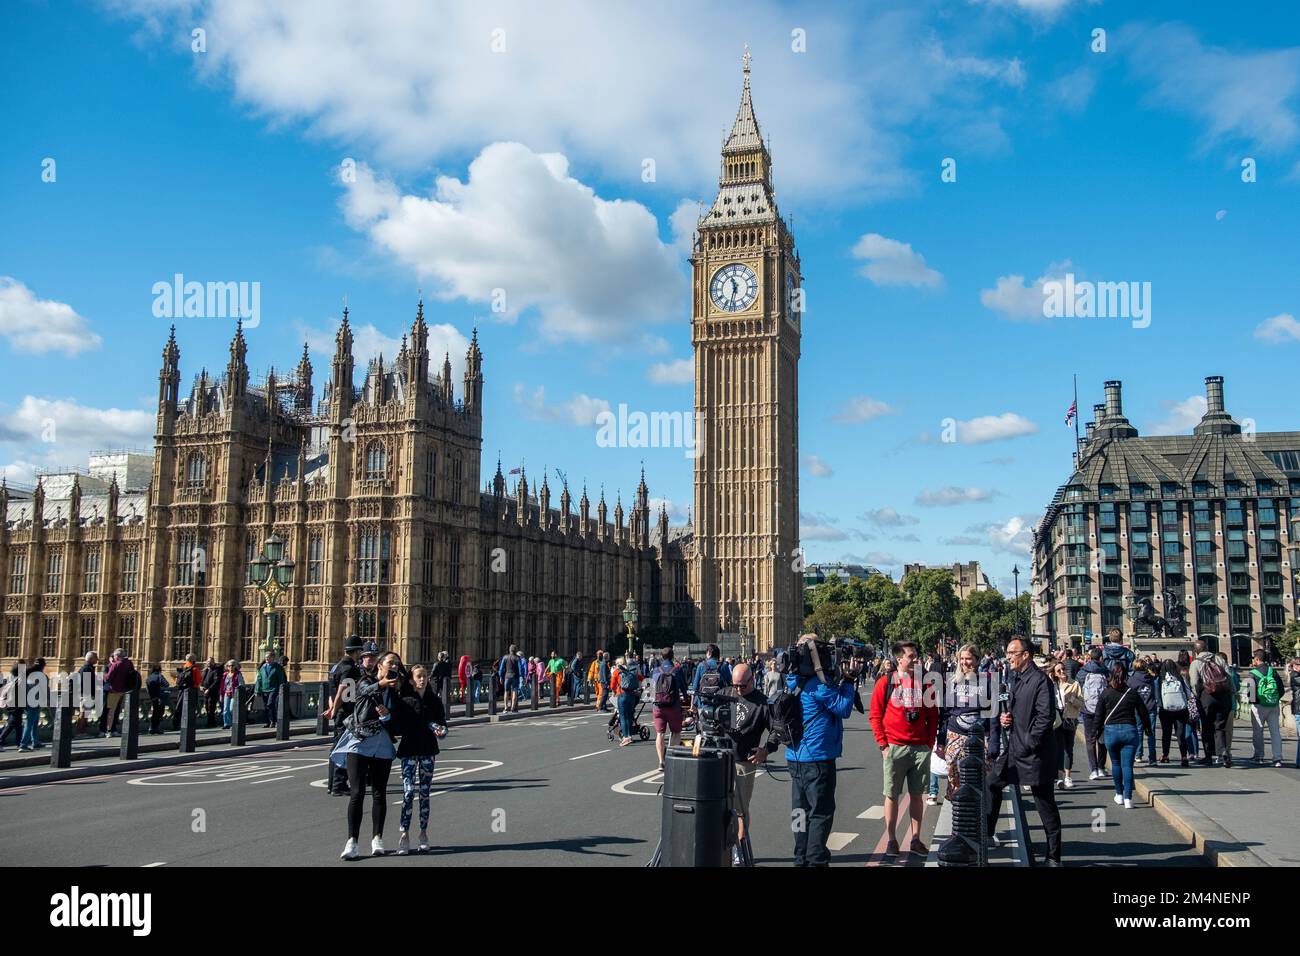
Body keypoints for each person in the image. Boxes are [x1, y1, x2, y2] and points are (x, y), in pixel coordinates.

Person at [987, 636, 1062, 866]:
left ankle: (1053, 857)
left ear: (1025, 655)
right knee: (992, 783)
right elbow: (1015, 708)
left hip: (1034, 754)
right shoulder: (1016, 677)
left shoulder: (1040, 681)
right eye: (1008, 652)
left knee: (1044, 804)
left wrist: (1029, 741)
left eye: (1012, 652)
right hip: (1014, 749)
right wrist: (1006, 718)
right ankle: (988, 834)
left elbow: (1045, 717)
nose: (1008, 656)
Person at [785, 635, 858, 867]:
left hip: (795, 755)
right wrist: (847, 681)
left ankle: (800, 855)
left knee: (799, 809)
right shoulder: (818, 686)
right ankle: (816, 858)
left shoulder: (792, 680)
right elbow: (844, 708)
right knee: (821, 811)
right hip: (818, 755)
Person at [869, 641, 939, 856]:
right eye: (911, 656)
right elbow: (875, 716)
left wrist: (928, 743)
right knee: (891, 795)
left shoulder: (925, 683)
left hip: (919, 748)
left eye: (916, 655)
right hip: (894, 747)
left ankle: (916, 838)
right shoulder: (885, 683)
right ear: (899, 659)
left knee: (917, 795)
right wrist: (883, 745)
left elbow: (933, 716)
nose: (915, 659)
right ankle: (892, 839)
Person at [333, 649, 401, 859]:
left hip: (381, 743)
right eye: (390, 662)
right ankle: (351, 841)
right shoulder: (362, 680)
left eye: (397, 664)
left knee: (379, 792)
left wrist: (388, 715)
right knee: (357, 792)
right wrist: (381, 684)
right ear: (380, 665)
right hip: (359, 742)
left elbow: (398, 721)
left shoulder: (395, 691)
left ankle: (377, 838)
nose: (394, 666)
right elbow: (360, 693)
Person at [720, 662, 780, 864]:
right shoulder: (724, 693)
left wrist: (766, 750)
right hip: (719, 759)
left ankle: (739, 849)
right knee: (716, 806)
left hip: (744, 763)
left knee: (739, 809)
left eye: (742, 686)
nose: (738, 690)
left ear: (752, 680)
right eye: (735, 685)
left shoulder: (763, 703)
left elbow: (775, 731)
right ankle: (719, 846)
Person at [395, 664, 447, 855]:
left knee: (424, 793)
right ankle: (404, 834)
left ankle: (423, 833)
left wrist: (441, 731)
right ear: (411, 680)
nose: (422, 679)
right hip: (409, 750)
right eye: (418, 676)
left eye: (424, 676)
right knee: (408, 792)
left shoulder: (435, 701)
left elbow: (443, 725)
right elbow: (397, 726)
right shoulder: (405, 700)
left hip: (428, 750)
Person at [937, 644, 995, 803]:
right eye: (961, 658)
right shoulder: (952, 681)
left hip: (980, 734)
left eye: (968, 658)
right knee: (954, 774)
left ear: (977, 660)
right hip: (955, 732)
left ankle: (978, 812)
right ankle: (959, 816)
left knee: (979, 775)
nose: (964, 662)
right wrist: (941, 741)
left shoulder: (988, 681)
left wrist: (993, 741)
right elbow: (945, 713)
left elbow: (993, 714)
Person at [1098, 662, 1150, 810]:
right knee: (1127, 765)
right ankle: (1128, 798)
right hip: (1129, 730)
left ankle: (1119, 794)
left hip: (1111, 731)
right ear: (1126, 674)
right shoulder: (1131, 693)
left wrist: (1096, 731)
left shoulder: (1106, 693)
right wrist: (1147, 728)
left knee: (1115, 764)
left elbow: (1099, 715)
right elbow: (1143, 712)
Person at [1188, 640, 1233, 767]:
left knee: (1206, 727)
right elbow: (1228, 677)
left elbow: (1194, 682)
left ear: (1196, 650)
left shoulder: (1196, 663)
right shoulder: (1219, 659)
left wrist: (1197, 696)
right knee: (1220, 726)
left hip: (1207, 697)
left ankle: (1208, 756)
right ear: (1207, 647)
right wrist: (1231, 694)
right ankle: (1223, 752)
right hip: (1223, 696)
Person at [650, 648, 689, 771]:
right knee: (676, 733)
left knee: (660, 734)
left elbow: (651, 690)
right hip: (673, 706)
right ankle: (671, 758)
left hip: (658, 707)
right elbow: (684, 688)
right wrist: (686, 699)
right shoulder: (677, 670)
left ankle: (661, 762)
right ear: (672, 657)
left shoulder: (656, 670)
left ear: (661, 657)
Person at [1244, 649, 1283, 767]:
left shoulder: (1253, 673)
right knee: (1275, 732)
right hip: (1273, 705)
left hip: (1259, 706)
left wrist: (1256, 702)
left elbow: (1251, 694)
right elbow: (1280, 689)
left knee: (1258, 731)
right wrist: (1273, 699)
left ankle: (1259, 757)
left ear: (1256, 659)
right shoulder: (1273, 671)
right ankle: (1277, 758)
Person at [1051, 660, 1084, 790]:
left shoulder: (1074, 684)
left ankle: (1067, 776)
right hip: (1056, 719)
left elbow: (1082, 703)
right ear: (1055, 673)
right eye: (1059, 671)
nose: (1062, 672)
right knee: (1057, 748)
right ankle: (1059, 776)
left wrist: (1071, 699)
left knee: (1068, 748)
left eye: (1063, 669)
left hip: (1070, 718)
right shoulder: (1052, 685)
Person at [1078, 647, 1109, 779]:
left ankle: (1094, 769)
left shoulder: (1083, 672)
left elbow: (1078, 686)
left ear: (1089, 658)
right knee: (1102, 740)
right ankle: (1102, 767)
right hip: (1102, 710)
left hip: (1087, 709)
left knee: (1090, 740)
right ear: (1101, 658)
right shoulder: (1105, 671)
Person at [1156, 659, 1192, 767]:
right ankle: (1184, 756)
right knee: (1180, 734)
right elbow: (1189, 694)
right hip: (1181, 710)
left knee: (1166, 733)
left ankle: (1165, 755)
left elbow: (1157, 697)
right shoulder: (1180, 678)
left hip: (1166, 710)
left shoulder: (1160, 679)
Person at [1126, 659, 1158, 767]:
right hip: (1150, 706)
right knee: (1151, 732)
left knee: (1139, 731)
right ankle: (1152, 758)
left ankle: (1138, 755)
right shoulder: (1151, 677)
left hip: (1138, 709)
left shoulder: (1132, 680)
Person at [103, 650, 137, 737]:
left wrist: (104, 674)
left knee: (111, 711)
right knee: (119, 710)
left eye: (114, 656)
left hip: (114, 691)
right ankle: (116, 729)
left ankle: (109, 730)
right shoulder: (129, 663)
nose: (114, 658)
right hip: (125, 690)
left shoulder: (115, 665)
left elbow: (108, 678)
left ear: (117, 656)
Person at [690, 644, 730, 715]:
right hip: (720, 704)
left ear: (708, 653)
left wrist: (692, 704)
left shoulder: (701, 665)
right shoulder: (724, 666)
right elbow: (729, 685)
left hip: (704, 704)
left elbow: (695, 687)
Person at [253, 652, 287, 728]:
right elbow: (259, 679)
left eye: (268, 657)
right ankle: (267, 722)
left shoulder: (277, 667)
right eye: (266, 657)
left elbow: (281, 679)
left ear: (273, 658)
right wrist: (257, 690)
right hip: (264, 689)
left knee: (270, 704)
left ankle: (273, 721)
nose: (266, 659)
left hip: (273, 689)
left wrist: (281, 689)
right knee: (265, 706)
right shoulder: (262, 667)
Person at [612, 656, 639, 746]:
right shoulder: (632, 670)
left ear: (618, 664)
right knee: (629, 716)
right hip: (632, 695)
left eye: (616, 664)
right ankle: (630, 736)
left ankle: (626, 737)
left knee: (623, 717)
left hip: (622, 695)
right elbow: (640, 678)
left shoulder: (617, 672)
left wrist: (614, 690)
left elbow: (612, 685)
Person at [0, 663, 23, 750]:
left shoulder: (12, 680)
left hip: (12, 705)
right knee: (11, 724)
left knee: (18, 725)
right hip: (15, 706)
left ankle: (19, 743)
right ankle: (1, 740)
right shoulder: (18, 681)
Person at [145, 664, 169, 736]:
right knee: (159, 713)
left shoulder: (149, 677)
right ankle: (156, 728)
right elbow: (166, 684)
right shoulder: (159, 676)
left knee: (155, 712)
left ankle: (152, 727)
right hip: (160, 697)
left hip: (153, 697)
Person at [220, 660, 243, 729]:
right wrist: (221, 694)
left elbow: (241, 683)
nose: (231, 667)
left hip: (234, 694)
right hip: (226, 693)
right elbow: (222, 685)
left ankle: (233, 723)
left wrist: (238, 688)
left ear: (235, 666)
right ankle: (227, 724)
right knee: (225, 709)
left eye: (232, 665)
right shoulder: (225, 675)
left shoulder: (238, 674)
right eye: (229, 666)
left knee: (231, 709)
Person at [499, 644, 521, 714]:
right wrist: (521, 676)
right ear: (515, 650)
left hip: (507, 676)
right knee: (514, 691)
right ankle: (512, 707)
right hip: (515, 676)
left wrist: (501, 676)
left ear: (509, 650)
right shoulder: (517, 658)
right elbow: (521, 669)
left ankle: (505, 707)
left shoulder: (505, 657)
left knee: (506, 691)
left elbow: (501, 668)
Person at [200, 657, 222, 728]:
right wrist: (200, 686)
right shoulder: (205, 670)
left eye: (210, 662)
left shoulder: (215, 670)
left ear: (213, 662)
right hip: (205, 691)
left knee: (211, 708)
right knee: (206, 707)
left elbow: (216, 681)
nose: (209, 663)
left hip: (212, 692)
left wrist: (209, 689)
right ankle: (212, 722)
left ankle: (210, 723)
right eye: (208, 661)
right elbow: (202, 680)